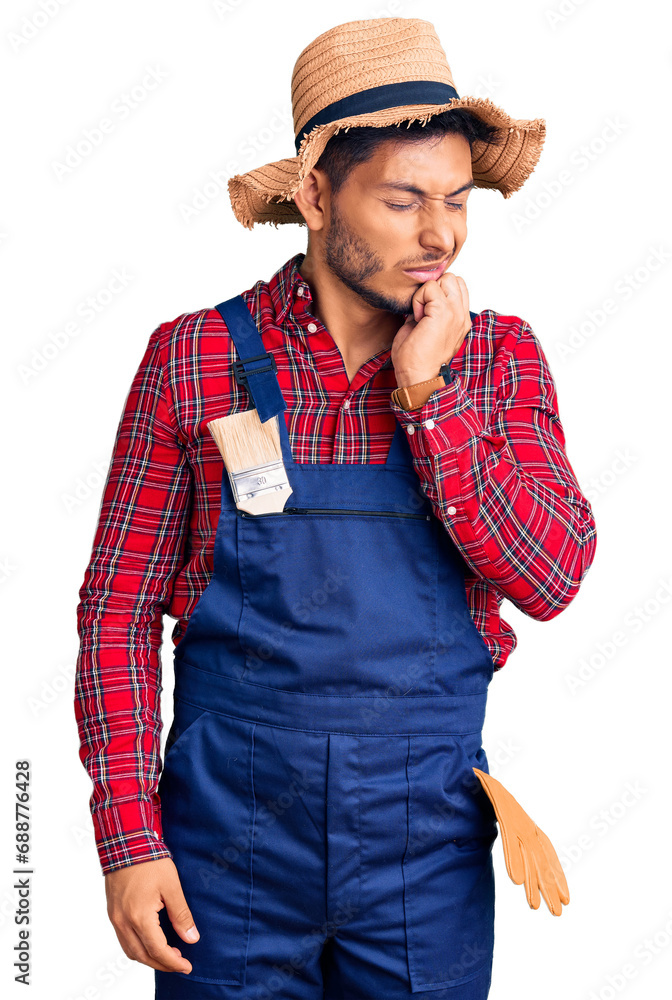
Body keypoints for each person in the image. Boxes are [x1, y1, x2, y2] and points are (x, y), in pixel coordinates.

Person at [74, 17, 597, 1000]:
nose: (440, 234)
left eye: (456, 200)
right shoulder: (194, 359)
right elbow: (118, 608)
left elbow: (553, 575)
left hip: (424, 850)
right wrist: (128, 840)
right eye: (403, 201)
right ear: (316, 196)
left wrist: (427, 395)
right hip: (226, 849)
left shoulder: (498, 360)